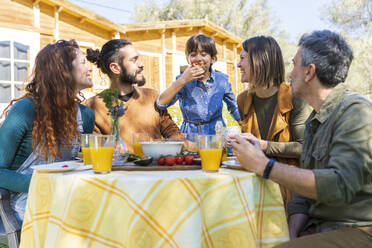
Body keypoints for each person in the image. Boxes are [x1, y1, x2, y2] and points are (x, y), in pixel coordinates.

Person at [231, 30, 372, 247]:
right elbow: (303, 198)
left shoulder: (355, 112)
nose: (289, 74)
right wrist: (291, 234)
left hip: (355, 228)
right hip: (318, 226)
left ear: (309, 72)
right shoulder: (315, 118)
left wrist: (264, 165)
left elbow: (339, 185)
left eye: (294, 64)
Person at [0, 40, 95, 222]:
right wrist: (45, 184)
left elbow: (84, 163)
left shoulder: (85, 115)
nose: (89, 68)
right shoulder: (26, 110)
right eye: (83, 62)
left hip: (69, 197)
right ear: (63, 70)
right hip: (26, 202)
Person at [236, 36, 311, 212]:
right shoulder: (243, 100)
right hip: (251, 181)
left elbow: (304, 148)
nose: (238, 65)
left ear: (259, 61)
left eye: (242, 59)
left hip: (289, 187)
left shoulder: (295, 98)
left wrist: (263, 146)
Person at [85, 39, 182, 152]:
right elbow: (96, 150)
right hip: (119, 169)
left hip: (155, 167)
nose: (141, 64)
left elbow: (172, 132)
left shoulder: (151, 96)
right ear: (115, 68)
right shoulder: (92, 107)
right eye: (134, 60)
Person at [156, 34, 240, 140]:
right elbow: (161, 104)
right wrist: (183, 80)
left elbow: (234, 108)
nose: (198, 58)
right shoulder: (182, 80)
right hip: (191, 136)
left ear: (213, 59)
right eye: (193, 54)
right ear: (188, 59)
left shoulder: (222, 80)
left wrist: (244, 126)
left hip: (217, 135)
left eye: (203, 54)